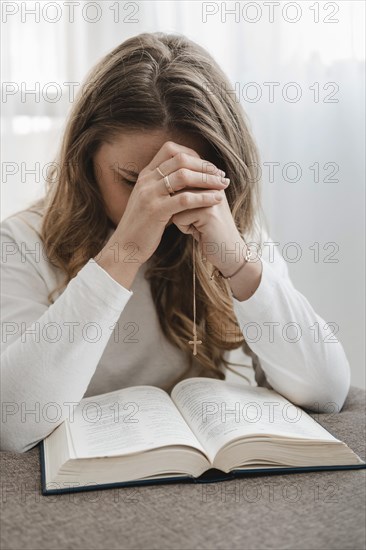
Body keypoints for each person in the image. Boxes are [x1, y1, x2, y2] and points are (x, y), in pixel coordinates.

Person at [1, 32, 350, 453]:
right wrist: (123, 253)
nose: (156, 203)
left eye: (183, 180)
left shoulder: (229, 229)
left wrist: (239, 264)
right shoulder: (21, 241)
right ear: (85, 160)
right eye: (132, 180)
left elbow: (326, 392)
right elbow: (13, 422)